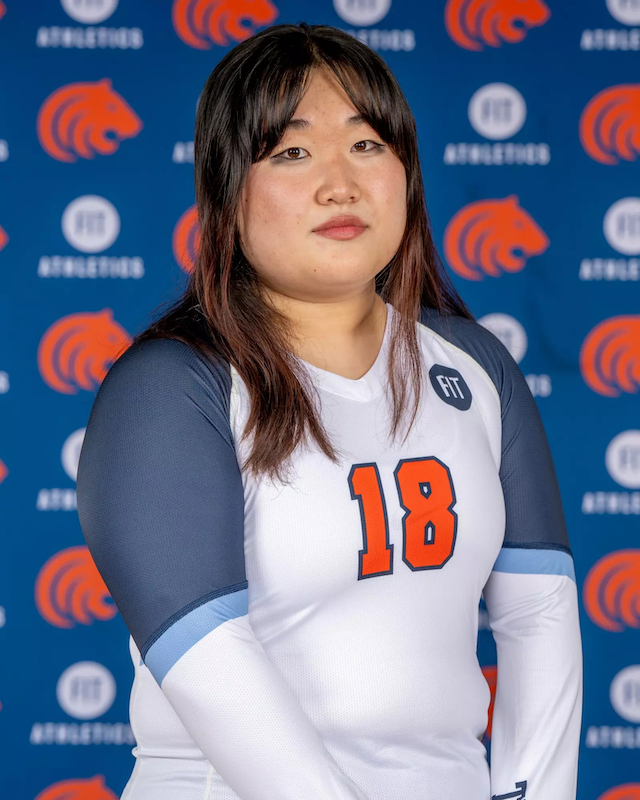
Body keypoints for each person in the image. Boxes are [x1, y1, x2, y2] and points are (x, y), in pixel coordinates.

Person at [76, 22, 582, 800]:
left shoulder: (476, 367)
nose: (339, 184)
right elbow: (208, 657)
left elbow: (538, 614)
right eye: (292, 152)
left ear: (407, 171)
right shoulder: (173, 386)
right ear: (225, 190)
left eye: (368, 144)